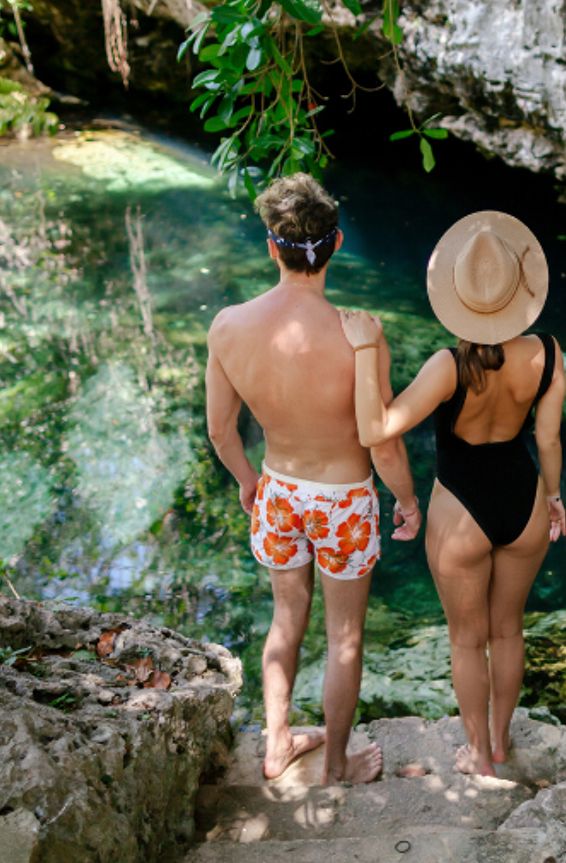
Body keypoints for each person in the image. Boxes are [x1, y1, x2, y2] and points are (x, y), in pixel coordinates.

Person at [205, 174, 420, 785]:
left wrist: (249, 480)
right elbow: (380, 440)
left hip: (278, 489)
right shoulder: (361, 333)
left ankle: (276, 745)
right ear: (338, 244)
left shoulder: (228, 326)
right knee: (345, 635)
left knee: (285, 618)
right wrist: (405, 500)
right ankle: (334, 764)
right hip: (345, 501)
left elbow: (221, 433)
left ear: (272, 247)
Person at [342, 210, 565, 777]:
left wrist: (368, 351)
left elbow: (377, 431)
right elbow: (548, 437)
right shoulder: (548, 353)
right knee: (508, 629)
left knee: (467, 642)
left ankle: (479, 763)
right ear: (520, 293)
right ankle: (498, 744)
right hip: (525, 504)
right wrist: (555, 497)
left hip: (460, 513)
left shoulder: (449, 365)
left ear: (459, 300)